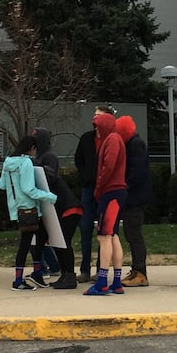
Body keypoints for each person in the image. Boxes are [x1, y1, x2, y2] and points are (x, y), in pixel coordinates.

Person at [1, 135, 58, 290]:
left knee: (40, 237)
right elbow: (29, 189)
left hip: (17, 209)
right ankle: (18, 281)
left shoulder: (7, 163)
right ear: (31, 148)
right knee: (26, 244)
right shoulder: (26, 162)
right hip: (30, 208)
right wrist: (49, 197)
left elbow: (1, 185)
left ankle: (37, 273)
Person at [86, 110, 128, 296]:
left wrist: (99, 187)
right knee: (113, 236)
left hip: (110, 193)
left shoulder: (111, 139)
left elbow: (108, 166)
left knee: (104, 236)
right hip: (116, 192)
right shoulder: (116, 138)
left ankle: (102, 282)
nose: (97, 131)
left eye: (98, 126)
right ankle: (116, 281)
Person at [35, 126, 81, 289]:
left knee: (62, 242)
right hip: (60, 207)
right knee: (57, 242)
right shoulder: (42, 156)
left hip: (69, 206)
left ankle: (69, 276)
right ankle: (65, 274)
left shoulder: (49, 156)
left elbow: (49, 177)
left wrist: (33, 165)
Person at [73, 106, 113, 282]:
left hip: (104, 189)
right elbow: (78, 159)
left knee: (103, 231)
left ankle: (100, 268)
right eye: (94, 115)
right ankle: (85, 269)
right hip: (89, 188)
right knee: (85, 228)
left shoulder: (111, 139)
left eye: (99, 116)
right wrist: (86, 175)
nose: (95, 118)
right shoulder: (86, 138)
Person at [117, 115, 154, 287]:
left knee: (134, 234)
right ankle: (137, 270)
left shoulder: (135, 145)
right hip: (134, 196)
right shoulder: (132, 144)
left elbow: (136, 172)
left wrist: (124, 185)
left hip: (135, 198)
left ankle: (140, 272)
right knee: (131, 234)